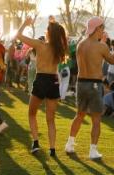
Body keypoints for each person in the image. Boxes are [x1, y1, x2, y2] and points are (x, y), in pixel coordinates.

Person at [65, 18, 114, 160]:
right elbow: (112, 60)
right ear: (97, 28)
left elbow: (94, 55)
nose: (103, 30)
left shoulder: (81, 44)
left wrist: (103, 42)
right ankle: (93, 151)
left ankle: (70, 144)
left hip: (81, 83)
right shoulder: (100, 47)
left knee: (79, 115)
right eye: (102, 28)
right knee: (96, 119)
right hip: (94, 84)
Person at [16, 16, 69, 155]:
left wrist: (25, 23)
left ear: (49, 33)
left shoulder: (40, 45)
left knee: (32, 113)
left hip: (41, 80)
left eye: (47, 30)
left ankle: (35, 143)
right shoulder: (60, 48)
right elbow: (61, 37)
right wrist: (53, 24)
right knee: (51, 119)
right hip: (53, 81)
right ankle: (52, 150)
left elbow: (18, 36)